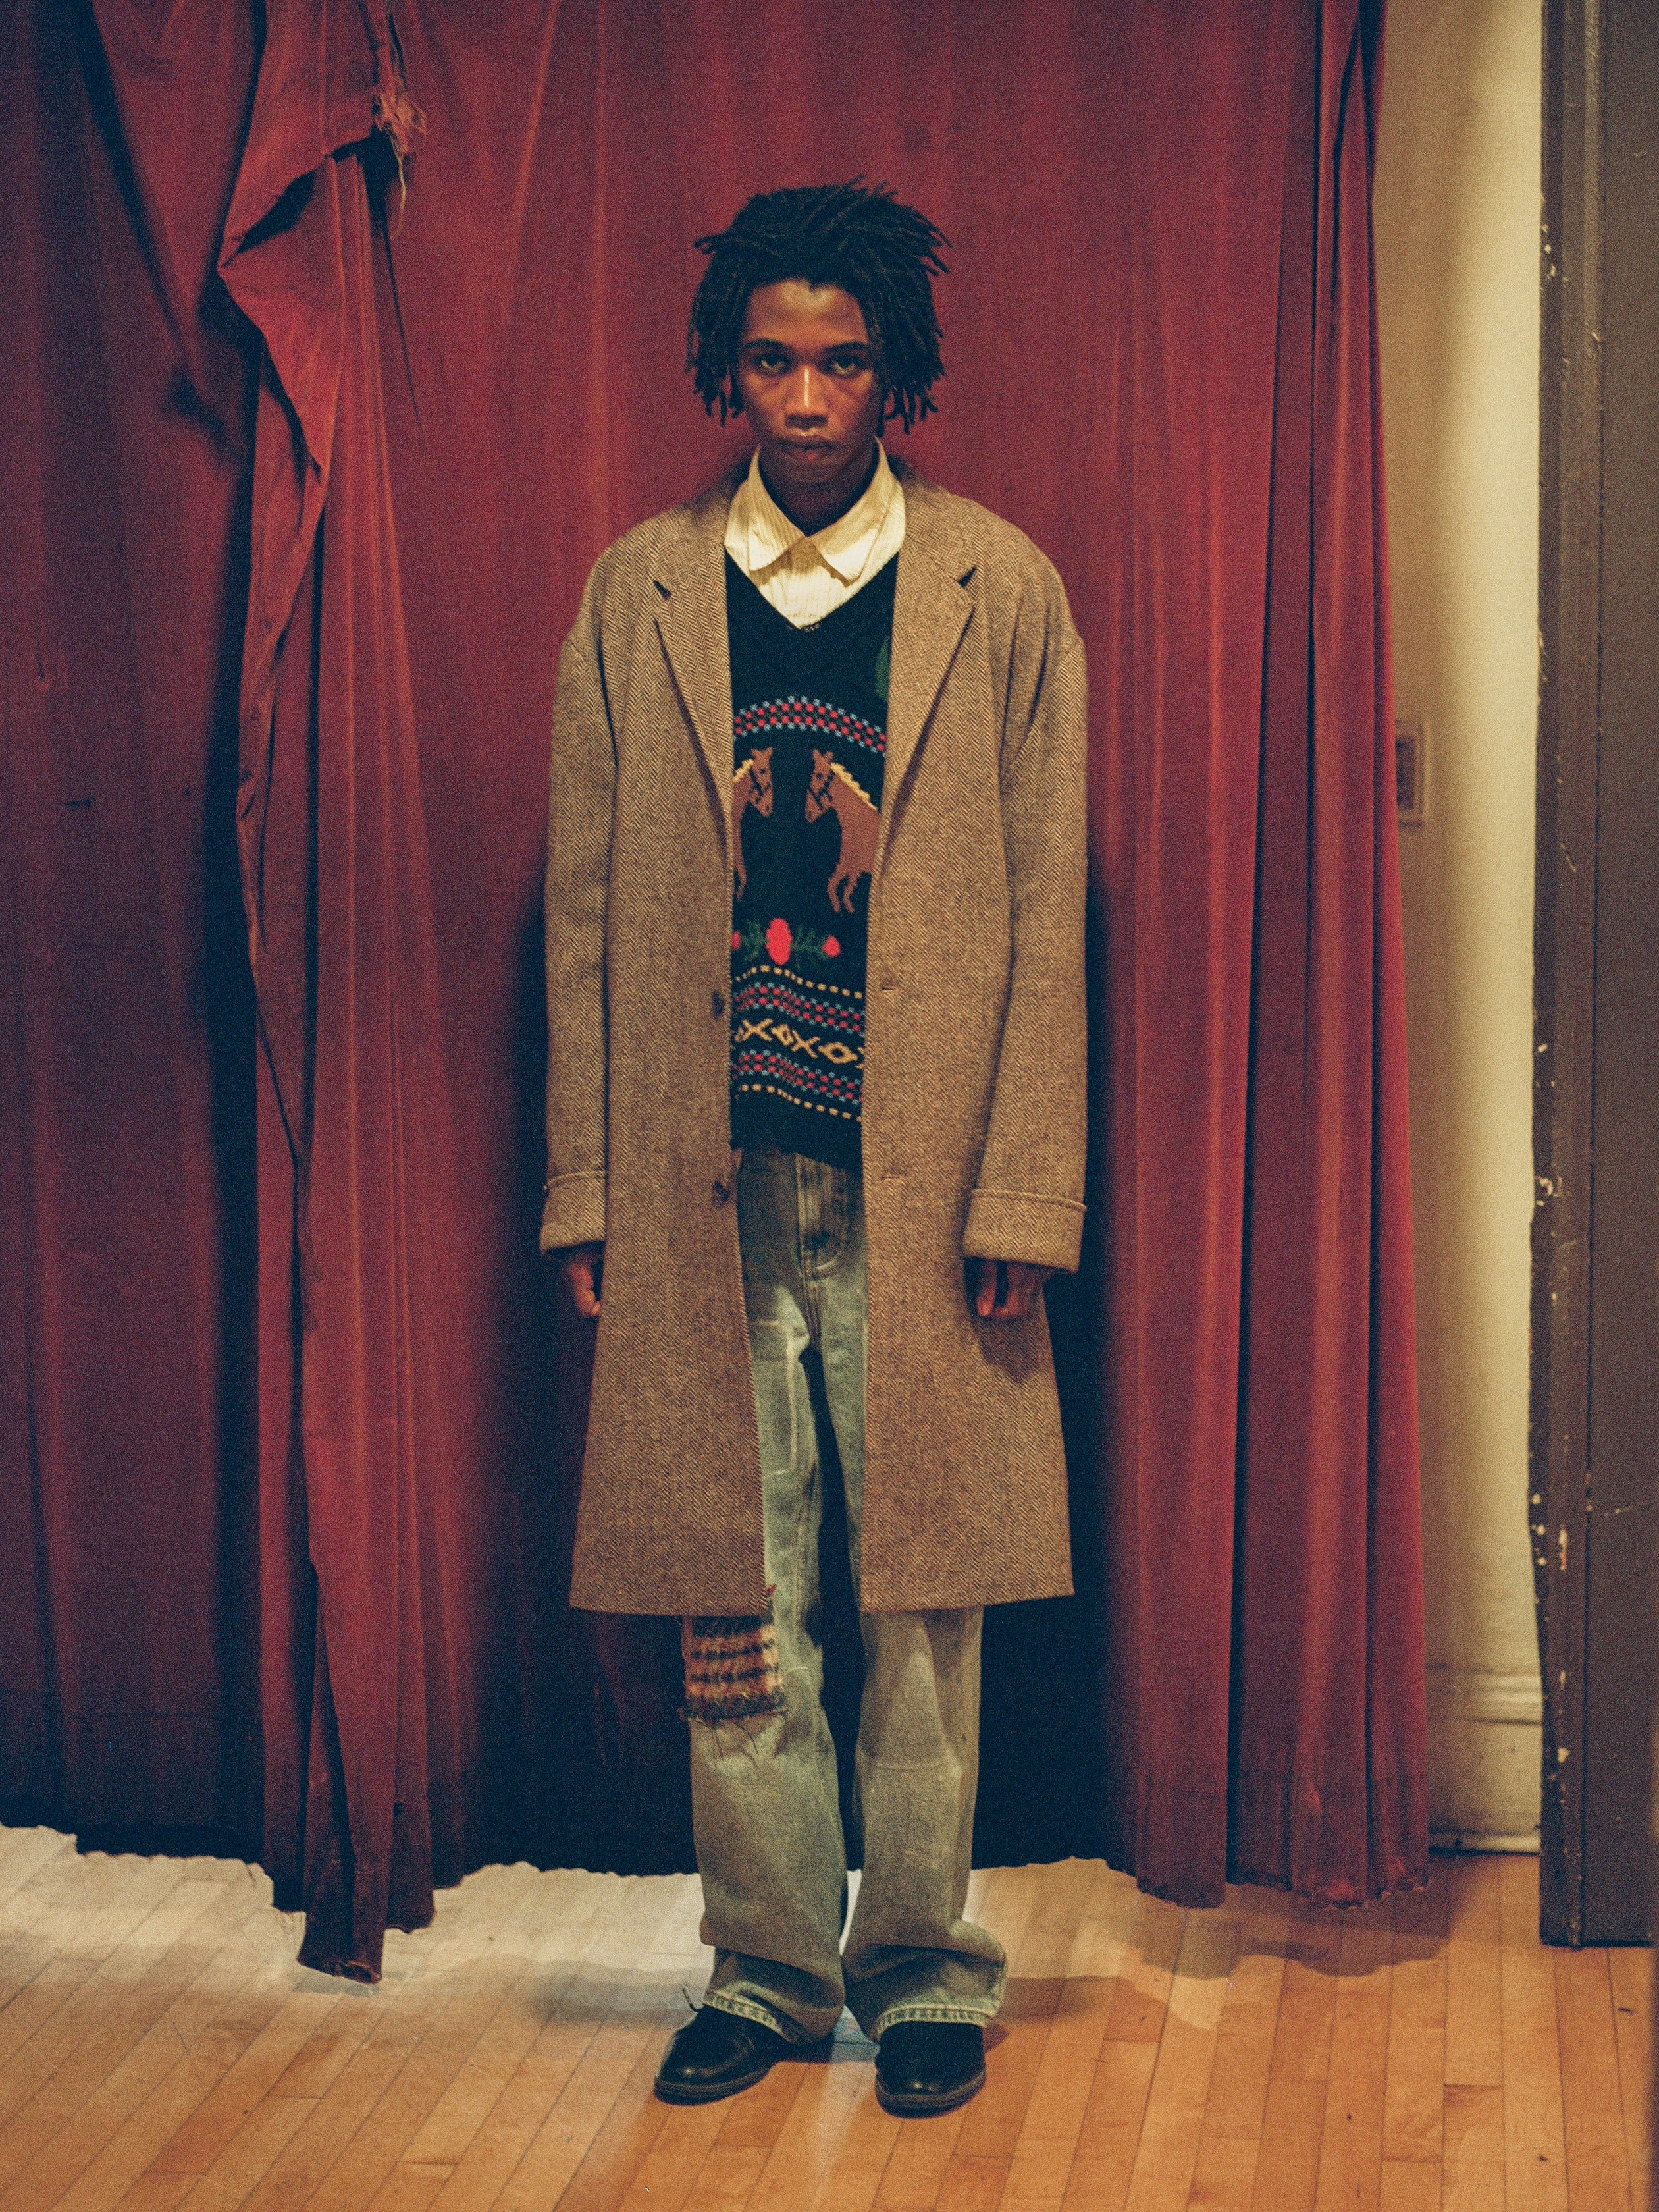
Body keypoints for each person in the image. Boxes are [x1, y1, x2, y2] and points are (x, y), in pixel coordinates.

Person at [542, 182, 1087, 2116]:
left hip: (922, 1178)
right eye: (772, 357)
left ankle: (923, 1962)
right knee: (735, 1573)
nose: (804, 394)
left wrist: (1024, 1189)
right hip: (710, 1171)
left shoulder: (995, 588)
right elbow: (590, 911)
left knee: (920, 1580)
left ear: (898, 378)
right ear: (726, 367)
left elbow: (1040, 909)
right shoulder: (643, 590)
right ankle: (767, 1969)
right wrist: (586, 1184)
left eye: (843, 360)